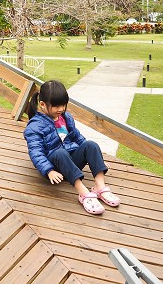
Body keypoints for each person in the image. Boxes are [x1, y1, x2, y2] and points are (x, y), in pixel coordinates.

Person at [23, 80, 120, 215]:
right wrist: (49, 170)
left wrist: (96, 160)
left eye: (63, 104)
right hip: (54, 168)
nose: (61, 109)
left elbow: (78, 138)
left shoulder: (66, 118)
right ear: (42, 105)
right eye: (56, 106)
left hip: (71, 162)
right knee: (60, 153)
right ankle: (84, 193)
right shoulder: (34, 127)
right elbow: (36, 153)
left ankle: (100, 187)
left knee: (91, 144)